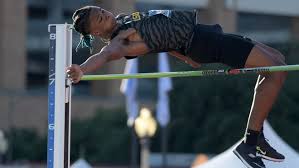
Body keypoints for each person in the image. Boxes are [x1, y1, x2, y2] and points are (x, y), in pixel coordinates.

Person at [67, 6, 287, 168]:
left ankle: (254, 139)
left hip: (203, 35)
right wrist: (82, 70)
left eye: (101, 10)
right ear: (96, 32)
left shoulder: (123, 20)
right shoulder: (120, 40)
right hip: (204, 42)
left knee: (278, 60)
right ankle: (251, 141)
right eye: (99, 18)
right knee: (275, 70)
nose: (105, 14)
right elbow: (103, 56)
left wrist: (183, 57)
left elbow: (162, 36)